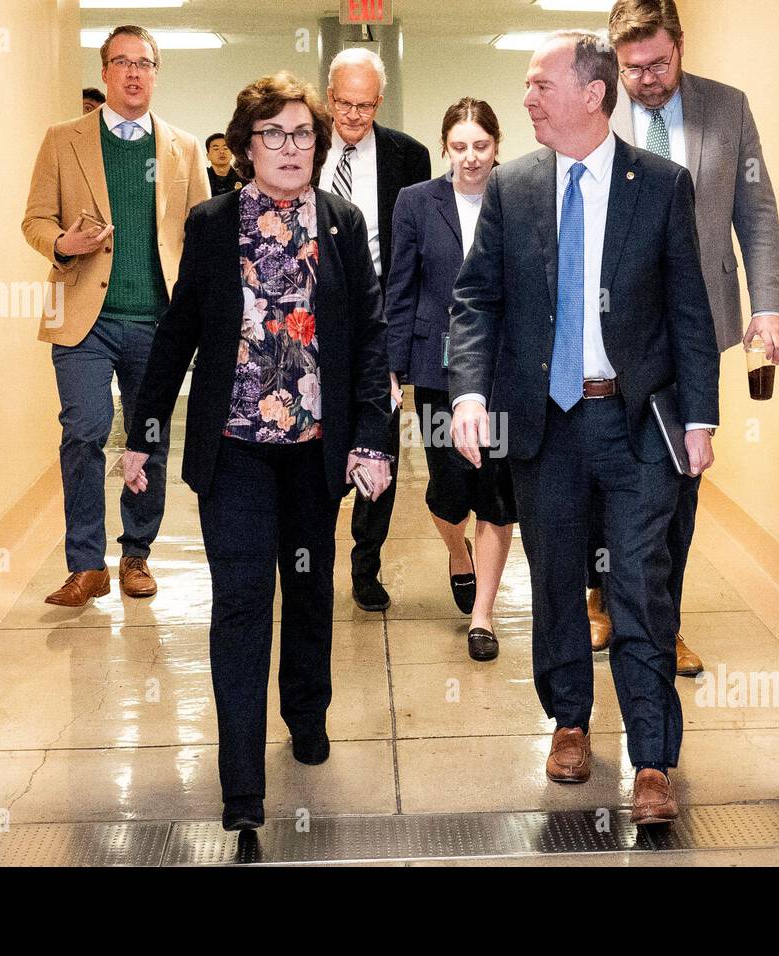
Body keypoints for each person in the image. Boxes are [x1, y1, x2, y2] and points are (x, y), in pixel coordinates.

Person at [448, 31, 719, 824]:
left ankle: (653, 761)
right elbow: (477, 300)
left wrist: (698, 417)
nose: (526, 98)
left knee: (640, 587)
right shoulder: (515, 187)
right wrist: (468, 393)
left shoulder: (660, 185)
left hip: (636, 423)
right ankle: (568, 722)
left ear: (592, 94)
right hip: (547, 422)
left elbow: (689, 310)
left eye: (540, 85)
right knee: (559, 580)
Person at [122, 72, 393, 831]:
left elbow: (367, 339)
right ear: (244, 147)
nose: (291, 147)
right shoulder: (213, 225)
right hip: (235, 448)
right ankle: (241, 785)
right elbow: (179, 333)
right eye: (272, 134)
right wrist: (144, 433)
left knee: (308, 592)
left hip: (313, 451)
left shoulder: (342, 222)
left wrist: (372, 436)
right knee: (242, 603)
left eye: (303, 133)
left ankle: (307, 716)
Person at [584, 0, 779, 670]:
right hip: (608, 332)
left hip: (693, 332)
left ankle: (660, 621)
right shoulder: (594, 106)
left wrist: (769, 306)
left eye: (658, 63)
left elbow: (755, 212)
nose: (645, 78)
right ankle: (602, 596)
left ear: (680, 43)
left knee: (679, 481)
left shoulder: (726, 109)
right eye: (632, 67)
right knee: (604, 477)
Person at [22, 25, 210, 607]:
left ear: (156, 73)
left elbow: (203, 231)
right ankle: (85, 564)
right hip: (84, 315)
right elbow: (34, 220)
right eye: (122, 62)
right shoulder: (63, 140)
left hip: (157, 319)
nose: (134, 73)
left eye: (145, 63)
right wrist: (62, 245)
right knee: (83, 430)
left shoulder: (184, 147)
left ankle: (135, 555)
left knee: (148, 436)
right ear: (104, 72)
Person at [387, 98, 515, 662]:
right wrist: (391, 366)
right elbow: (401, 287)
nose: (470, 158)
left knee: (496, 494)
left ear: (497, 146)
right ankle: (457, 552)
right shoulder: (416, 202)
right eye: (459, 147)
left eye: (480, 146)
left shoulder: (518, 198)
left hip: (503, 369)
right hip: (436, 369)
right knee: (448, 490)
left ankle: (483, 616)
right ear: (444, 147)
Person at [318, 48, 431, 613]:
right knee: (309, 439)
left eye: (365, 105)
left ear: (378, 102)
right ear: (328, 94)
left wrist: (400, 337)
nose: (353, 116)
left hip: (377, 318)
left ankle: (366, 566)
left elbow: (416, 254)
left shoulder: (408, 157)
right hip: (306, 319)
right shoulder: (301, 142)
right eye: (343, 103)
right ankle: (307, 561)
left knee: (377, 443)